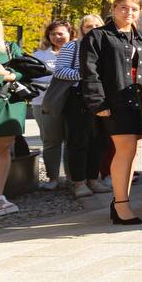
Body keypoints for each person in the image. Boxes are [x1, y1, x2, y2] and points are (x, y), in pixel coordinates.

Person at [79, 0, 142, 225]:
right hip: (115, 103)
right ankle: (121, 204)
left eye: (134, 8)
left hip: (140, 103)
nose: (128, 12)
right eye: (123, 7)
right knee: (125, 149)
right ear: (113, 8)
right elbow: (89, 71)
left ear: (140, 12)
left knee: (131, 151)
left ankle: (121, 202)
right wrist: (97, 102)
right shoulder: (98, 36)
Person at [53, 14, 106, 199]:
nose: (93, 29)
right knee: (78, 142)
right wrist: (86, 76)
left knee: (98, 141)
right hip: (78, 98)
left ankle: (93, 179)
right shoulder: (72, 46)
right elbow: (60, 71)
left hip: (102, 97)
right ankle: (78, 182)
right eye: (89, 26)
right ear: (82, 29)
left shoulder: (106, 46)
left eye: (97, 25)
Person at [31, 19, 72, 190]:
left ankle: (72, 177)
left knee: (72, 141)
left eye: (61, 33)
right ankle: (53, 178)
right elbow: (33, 79)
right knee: (51, 141)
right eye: (53, 34)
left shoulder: (78, 53)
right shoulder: (39, 56)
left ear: (70, 34)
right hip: (45, 103)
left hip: (71, 103)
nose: (57, 37)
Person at [0, 10, 30, 215]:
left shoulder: (10, 47)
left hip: (8, 102)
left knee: (3, 148)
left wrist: (8, 75)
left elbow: (26, 71)